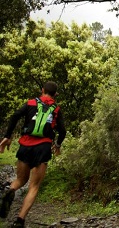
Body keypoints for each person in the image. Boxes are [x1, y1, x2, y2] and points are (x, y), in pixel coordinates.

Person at [0, 81, 66, 228]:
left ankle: (10, 190)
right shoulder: (56, 109)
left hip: (25, 146)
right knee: (34, 186)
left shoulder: (30, 103)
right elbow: (62, 131)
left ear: (42, 90)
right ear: (55, 94)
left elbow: (15, 116)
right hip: (42, 148)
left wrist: (7, 136)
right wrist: (58, 145)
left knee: (21, 179)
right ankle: (19, 221)